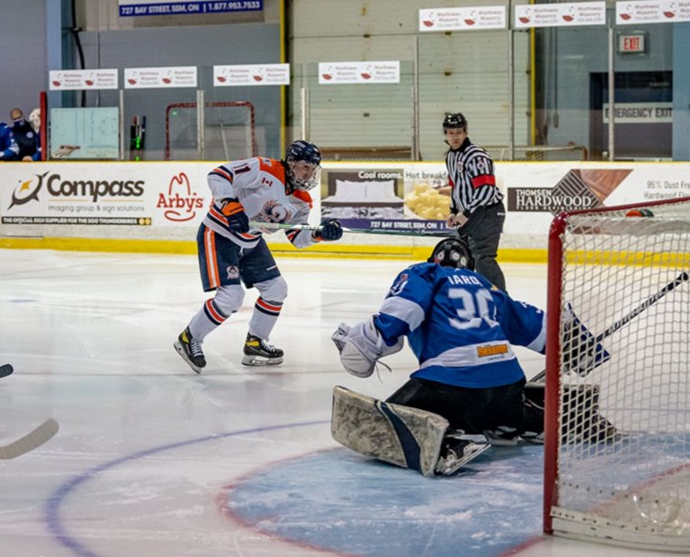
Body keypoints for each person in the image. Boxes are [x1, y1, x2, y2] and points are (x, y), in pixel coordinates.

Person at [330, 237, 548, 475]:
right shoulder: (485, 285)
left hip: (450, 382)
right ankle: (534, 420)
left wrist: (366, 342)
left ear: (434, 259)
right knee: (497, 409)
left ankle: (449, 445)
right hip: (509, 383)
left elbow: (403, 312)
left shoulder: (426, 272)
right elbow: (531, 324)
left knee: (375, 426)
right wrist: (578, 346)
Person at [173, 140, 343, 373]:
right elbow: (219, 175)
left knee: (277, 289)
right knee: (231, 297)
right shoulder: (263, 169)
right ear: (291, 164)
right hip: (220, 233)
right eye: (305, 166)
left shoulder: (302, 201)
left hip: (251, 242)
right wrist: (229, 204)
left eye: (313, 168)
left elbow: (297, 238)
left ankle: (255, 342)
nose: (309, 173)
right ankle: (189, 337)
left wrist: (320, 234)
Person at [442, 112, 507, 292]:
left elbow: (487, 189)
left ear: (465, 132)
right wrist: (454, 211)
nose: (455, 137)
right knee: (460, 255)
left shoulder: (476, 155)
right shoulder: (450, 157)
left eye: (458, 133)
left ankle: (501, 302)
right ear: (445, 134)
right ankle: (473, 297)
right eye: (451, 133)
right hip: (471, 214)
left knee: (483, 258)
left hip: (488, 212)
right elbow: (455, 186)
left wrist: (467, 213)